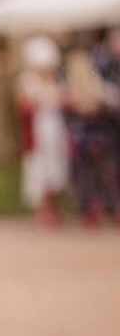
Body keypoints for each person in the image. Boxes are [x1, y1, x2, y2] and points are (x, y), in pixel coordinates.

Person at [15, 36, 69, 226]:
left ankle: (55, 208)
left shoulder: (56, 81)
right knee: (40, 170)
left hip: (55, 130)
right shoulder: (28, 82)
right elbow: (27, 105)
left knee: (56, 169)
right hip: (39, 133)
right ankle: (44, 210)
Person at [64, 49, 119, 226]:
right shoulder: (97, 85)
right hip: (97, 138)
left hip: (86, 139)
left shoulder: (73, 87)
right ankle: (107, 208)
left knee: (92, 176)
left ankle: (94, 210)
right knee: (104, 175)